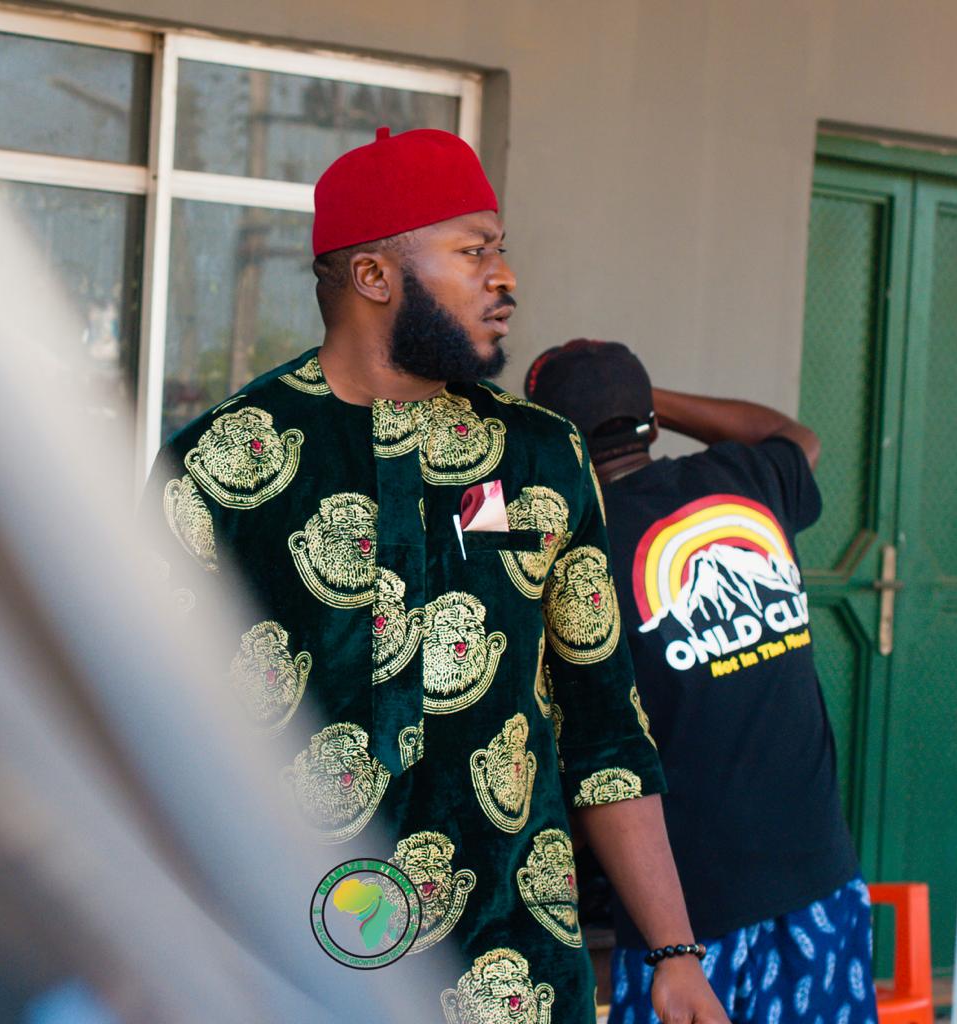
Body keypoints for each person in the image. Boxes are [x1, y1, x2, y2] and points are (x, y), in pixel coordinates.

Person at [146, 129, 726, 1024]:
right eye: (474, 251)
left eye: (502, 250)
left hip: (515, 965)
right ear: (374, 276)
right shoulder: (219, 463)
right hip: (286, 963)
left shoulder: (543, 456)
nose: (507, 278)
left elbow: (605, 723)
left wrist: (674, 952)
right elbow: (148, 726)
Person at [526, 339, 879, 1024]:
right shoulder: (747, 478)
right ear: (651, 425)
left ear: (561, 444)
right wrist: (646, 398)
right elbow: (795, 434)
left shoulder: (573, 549)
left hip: (684, 924)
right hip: (821, 882)